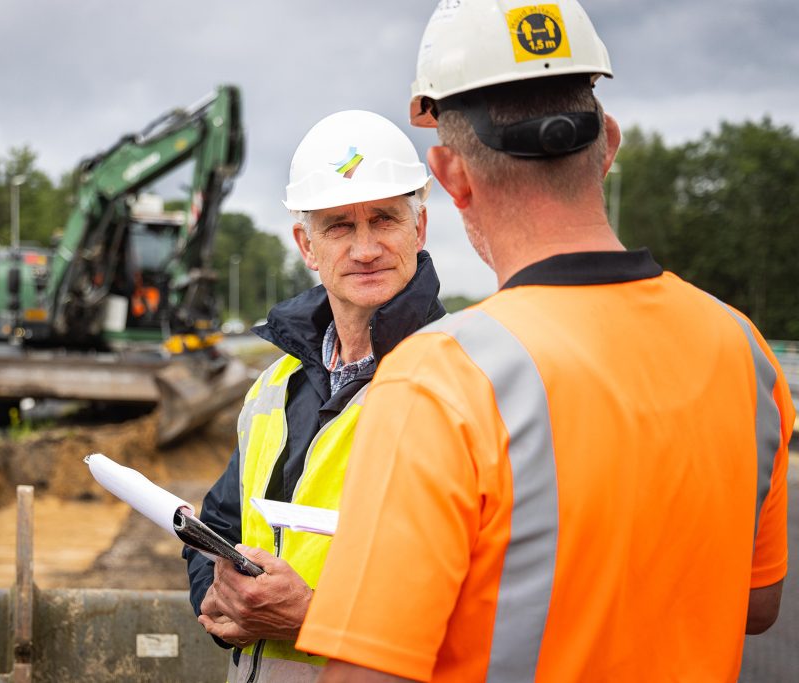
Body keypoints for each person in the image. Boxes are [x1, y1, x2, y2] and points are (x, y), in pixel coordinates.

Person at [296, 2, 793, 681]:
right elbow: (758, 601)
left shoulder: (442, 380)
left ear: (450, 174)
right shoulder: (745, 350)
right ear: (609, 142)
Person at [182, 109, 446, 682]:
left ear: (419, 230)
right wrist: (217, 599)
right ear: (306, 244)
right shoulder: (276, 386)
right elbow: (222, 524)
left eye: (384, 220)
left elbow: (483, 601)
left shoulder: (457, 382)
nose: (366, 247)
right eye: (339, 226)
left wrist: (311, 617)